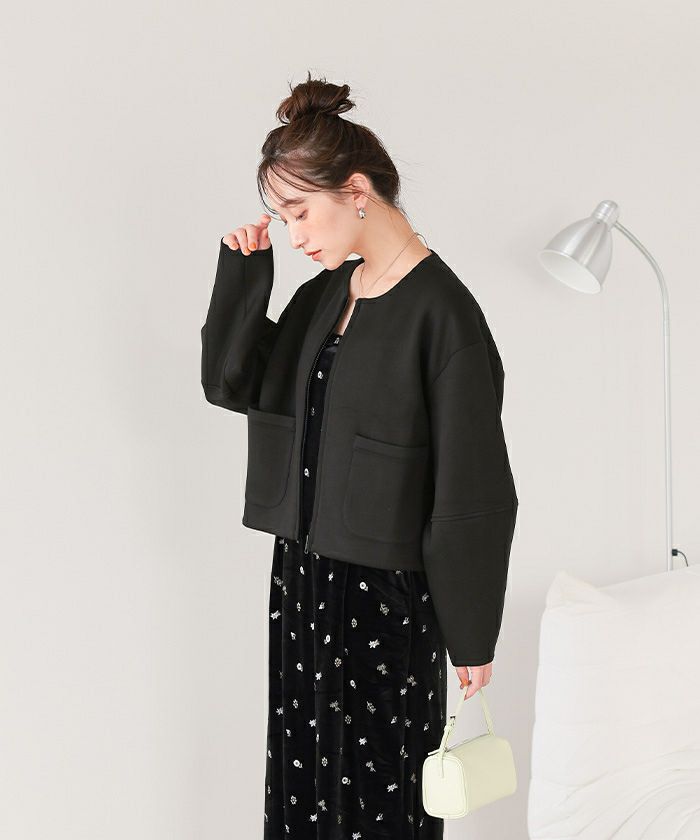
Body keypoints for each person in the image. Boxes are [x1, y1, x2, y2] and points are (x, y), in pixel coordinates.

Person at [201, 72, 518, 839]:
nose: (295, 235)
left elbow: (473, 487)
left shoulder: (444, 314)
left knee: (377, 807)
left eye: (301, 212)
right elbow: (234, 385)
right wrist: (244, 277)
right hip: (303, 580)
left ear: (356, 190)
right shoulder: (326, 293)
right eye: (284, 217)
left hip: (385, 598)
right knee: (304, 792)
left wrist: (471, 633)